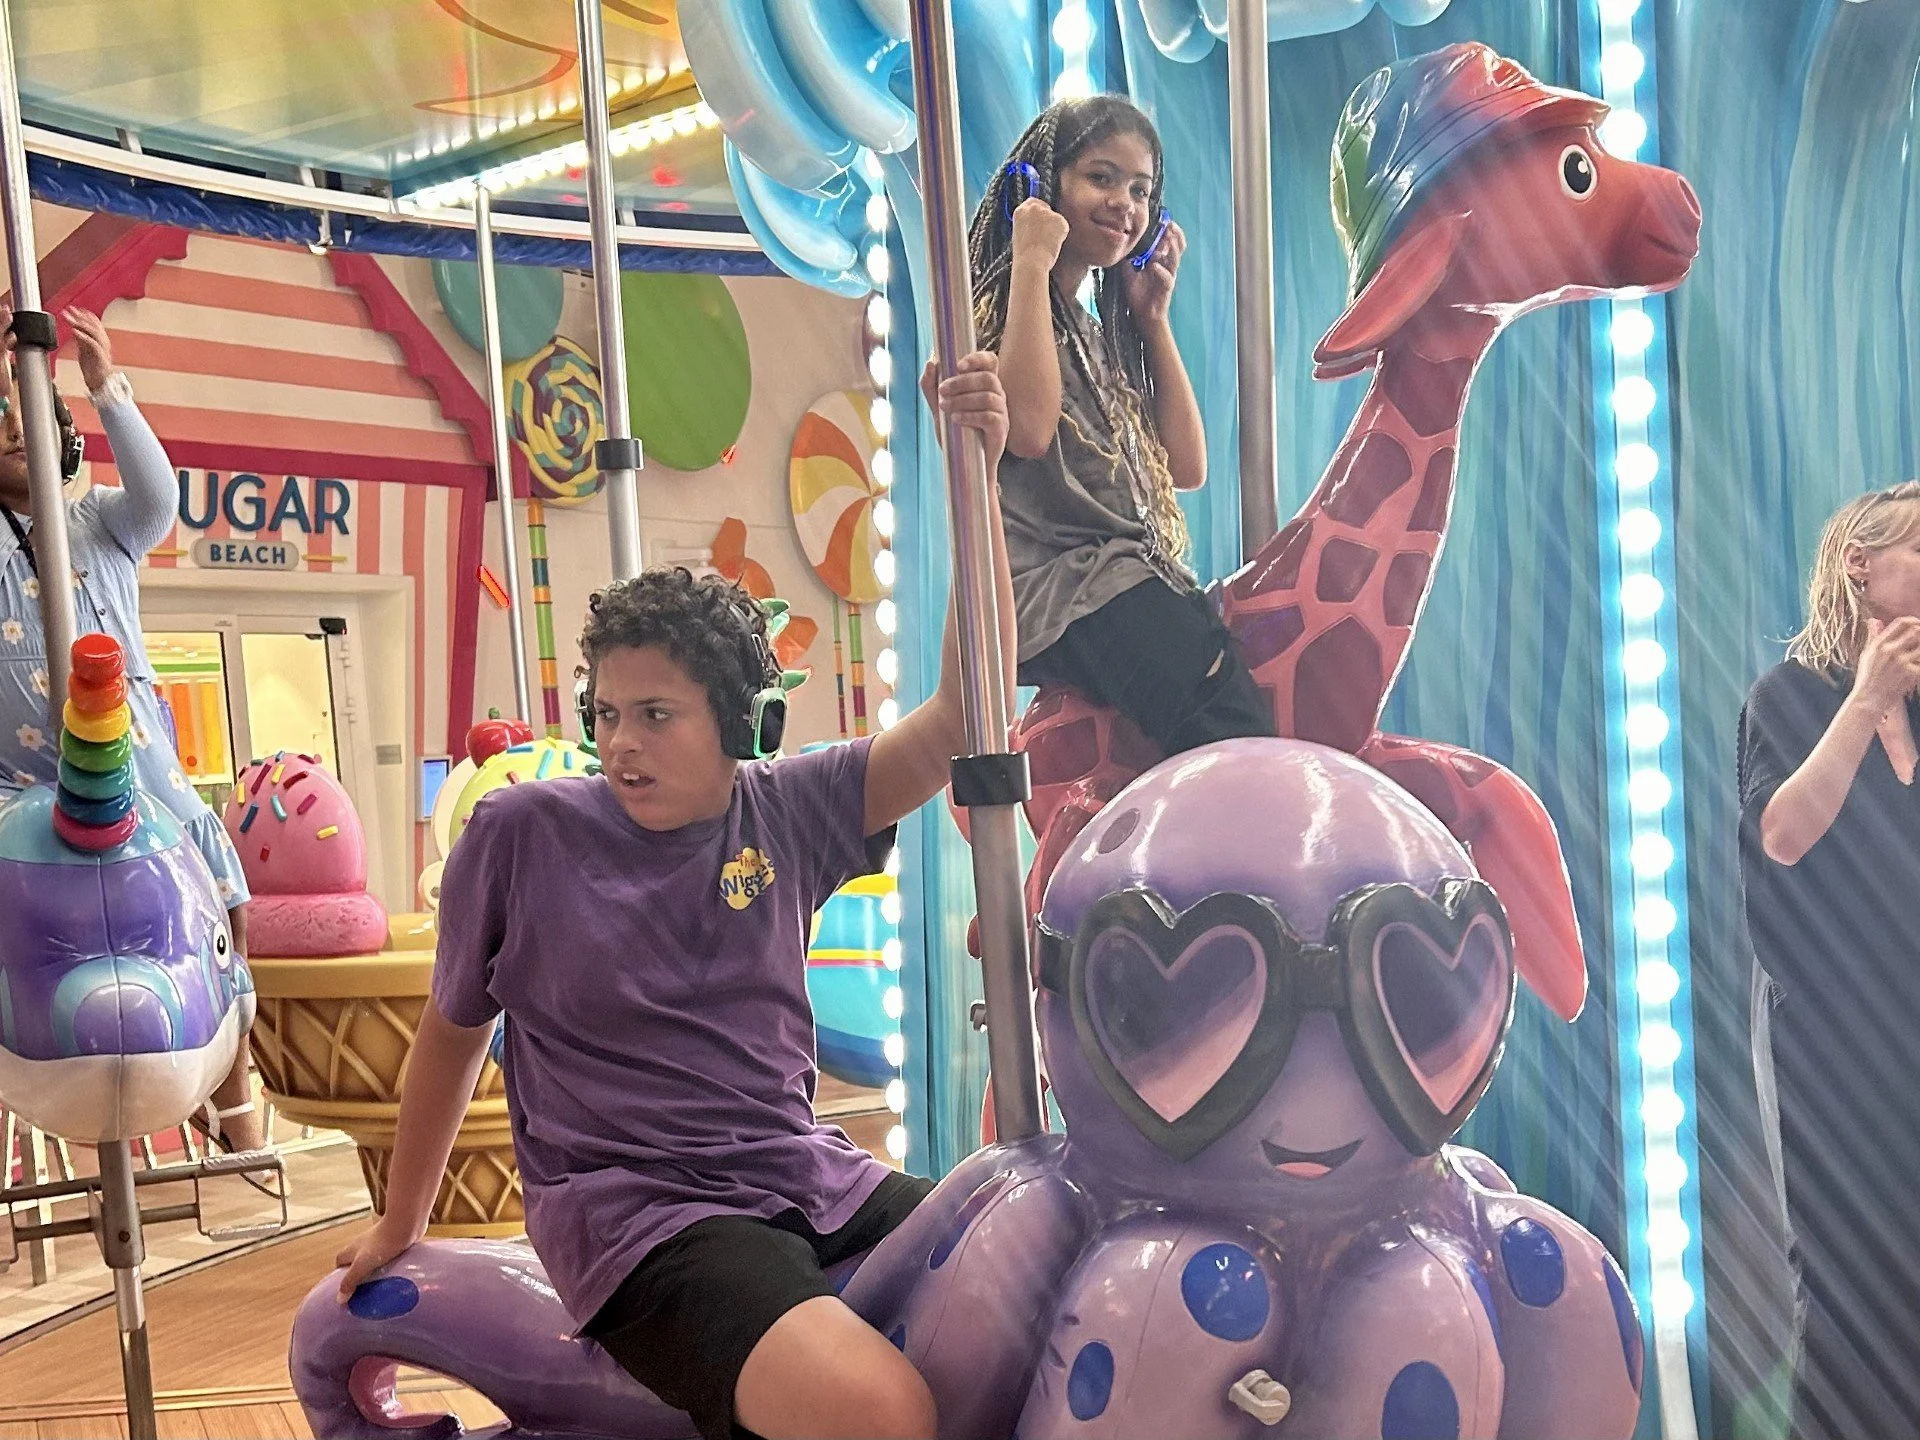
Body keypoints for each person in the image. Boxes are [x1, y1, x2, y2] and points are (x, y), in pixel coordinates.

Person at [333, 354, 1016, 1440]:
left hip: (804, 1177)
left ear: (740, 722)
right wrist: (400, 1219)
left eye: (656, 715)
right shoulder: (521, 833)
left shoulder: (787, 807)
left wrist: (976, 482)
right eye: (608, 713)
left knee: (1032, 1264)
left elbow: (951, 726)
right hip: (639, 1215)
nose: (619, 742)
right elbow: (454, 1032)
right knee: (879, 1412)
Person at [0, 304, 266, 1158]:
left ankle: (233, 1073)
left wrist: (105, 387)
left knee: (218, 892)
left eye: (27, 418)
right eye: (1, 419)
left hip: (139, 767)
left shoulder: (100, 522)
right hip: (17, 783)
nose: (13, 429)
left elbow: (162, 495)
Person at [967, 94, 1273, 754]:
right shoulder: (1008, 316)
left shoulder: (1098, 335)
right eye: (1101, 178)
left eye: (1140, 189)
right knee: (1230, 722)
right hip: (1070, 587)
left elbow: (1187, 467)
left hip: (1120, 577)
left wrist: (1152, 320)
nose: (1124, 205)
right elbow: (1026, 429)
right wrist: (1029, 262)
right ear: (1045, 187)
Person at [1737, 480, 1920, 1440]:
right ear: (1862, 565)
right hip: (1835, 1054)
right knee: (1855, 1301)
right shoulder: (1793, 697)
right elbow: (1783, 836)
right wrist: (1870, 699)